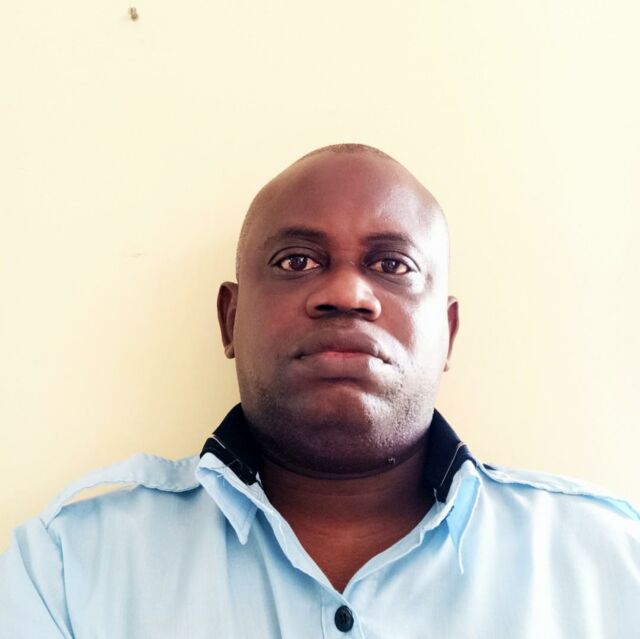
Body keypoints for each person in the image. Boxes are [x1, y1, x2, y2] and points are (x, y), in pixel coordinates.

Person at [1, 144, 638, 638]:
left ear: (447, 334)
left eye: (392, 265)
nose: (347, 293)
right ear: (230, 319)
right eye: (297, 261)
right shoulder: (66, 567)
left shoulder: (612, 562)